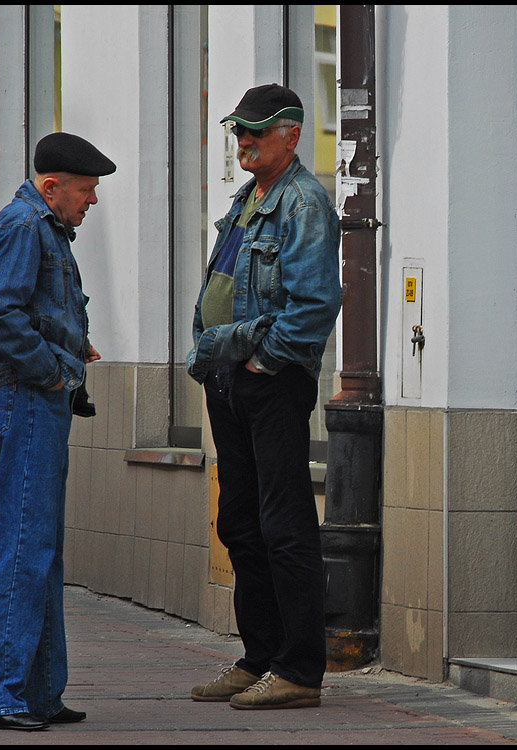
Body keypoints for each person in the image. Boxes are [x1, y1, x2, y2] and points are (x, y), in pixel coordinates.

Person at [186, 84, 342, 709]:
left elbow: (313, 307)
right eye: (238, 132)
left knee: (284, 524)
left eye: (256, 131)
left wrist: (260, 360)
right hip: (229, 379)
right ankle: (259, 658)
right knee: (241, 522)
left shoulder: (303, 202)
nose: (244, 141)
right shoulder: (248, 199)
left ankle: (299, 669)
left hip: (268, 381)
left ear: (291, 135)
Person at [0, 132, 116, 730]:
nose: (92, 201)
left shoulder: (40, 225)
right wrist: (53, 371)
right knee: (25, 546)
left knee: (40, 549)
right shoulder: (26, 225)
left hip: (35, 395)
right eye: (86, 190)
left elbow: (28, 310)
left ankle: (38, 692)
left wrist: (73, 347)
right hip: (24, 397)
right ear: (52, 188)